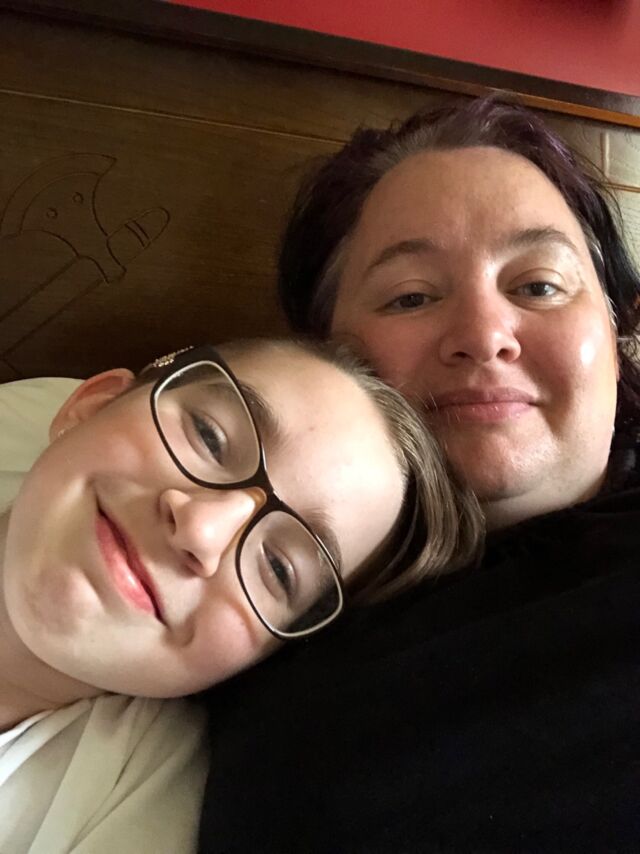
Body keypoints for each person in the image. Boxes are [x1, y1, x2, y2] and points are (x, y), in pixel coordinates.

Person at [198, 99, 640, 852]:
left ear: (618, 326)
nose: (483, 336)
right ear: (324, 354)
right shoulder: (228, 572)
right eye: (412, 296)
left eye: (538, 285)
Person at [0, 338, 480, 853]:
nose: (201, 531)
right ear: (91, 404)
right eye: (209, 437)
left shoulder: (133, 802)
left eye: (278, 569)